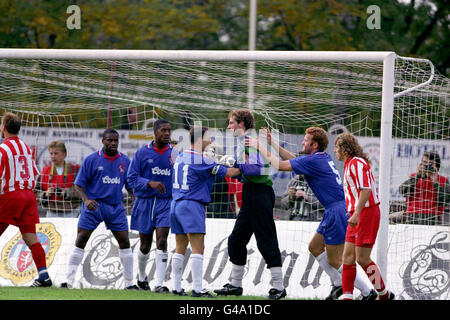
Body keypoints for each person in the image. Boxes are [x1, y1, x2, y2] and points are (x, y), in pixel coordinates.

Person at [247, 126, 375, 300]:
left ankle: (368, 292)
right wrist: (272, 143)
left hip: (337, 211)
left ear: (314, 145)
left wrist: (259, 146)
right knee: (314, 247)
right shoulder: (319, 158)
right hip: (334, 209)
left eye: (306, 140)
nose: (302, 142)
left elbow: (279, 164)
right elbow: (294, 161)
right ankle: (338, 284)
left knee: (336, 260)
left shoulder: (313, 161)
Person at [214, 109, 287, 300]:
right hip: (251, 193)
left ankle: (279, 287)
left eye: (231, 123)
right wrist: (223, 167)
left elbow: (256, 169)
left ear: (242, 124)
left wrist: (235, 165)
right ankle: (235, 285)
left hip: (259, 194)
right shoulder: (244, 140)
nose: (228, 127)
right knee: (236, 240)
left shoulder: (250, 140)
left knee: (266, 239)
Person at [60, 128, 137, 290]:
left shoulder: (124, 161)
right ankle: (68, 282)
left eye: (116, 140)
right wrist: (86, 200)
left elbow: (129, 186)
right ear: (103, 141)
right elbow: (78, 184)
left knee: (124, 241)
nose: (113, 143)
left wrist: (135, 199)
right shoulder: (91, 160)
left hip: (115, 207)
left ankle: (130, 284)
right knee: (81, 239)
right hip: (93, 206)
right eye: (110, 140)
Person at [170, 126, 241, 297]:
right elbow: (231, 172)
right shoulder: (201, 160)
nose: (212, 141)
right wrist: (247, 165)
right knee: (197, 247)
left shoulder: (181, 156)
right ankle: (197, 288)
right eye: (210, 137)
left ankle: (177, 287)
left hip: (176, 204)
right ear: (200, 140)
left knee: (180, 247)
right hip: (191, 204)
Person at [334, 132, 394, 300]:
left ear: (345, 149)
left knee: (362, 258)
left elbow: (365, 190)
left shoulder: (357, 163)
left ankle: (383, 294)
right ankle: (347, 296)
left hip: (366, 213)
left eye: (337, 148)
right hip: (356, 214)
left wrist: (357, 213)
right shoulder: (348, 164)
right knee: (347, 256)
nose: (335, 151)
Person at [0, 112, 52, 287]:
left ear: (3, 128)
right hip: (29, 196)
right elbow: (34, 173)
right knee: (31, 238)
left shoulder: (3, 148)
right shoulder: (25, 147)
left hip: (12, 194)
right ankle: (44, 276)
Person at [127, 119, 174, 292]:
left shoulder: (174, 154)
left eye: (169, 130)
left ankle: (160, 284)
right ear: (155, 132)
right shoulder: (142, 153)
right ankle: (141, 277)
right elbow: (131, 179)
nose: (167, 133)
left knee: (162, 240)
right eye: (163, 130)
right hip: (145, 202)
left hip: (165, 203)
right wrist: (149, 183)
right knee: (145, 245)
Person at [398, 151, 449, 225]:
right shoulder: (415, 177)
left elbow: (444, 201)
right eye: (424, 162)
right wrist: (418, 175)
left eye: (430, 164)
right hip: (412, 215)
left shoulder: (443, 180)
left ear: (436, 166)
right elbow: (402, 191)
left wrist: (435, 181)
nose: (427, 165)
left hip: (432, 217)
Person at [35, 140, 81, 218]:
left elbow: (83, 191)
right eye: (51, 153)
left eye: (56, 153)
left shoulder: (75, 170)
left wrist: (66, 192)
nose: (53, 156)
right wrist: (45, 194)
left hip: (72, 211)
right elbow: (35, 193)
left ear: (64, 154)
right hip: (51, 211)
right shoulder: (45, 171)